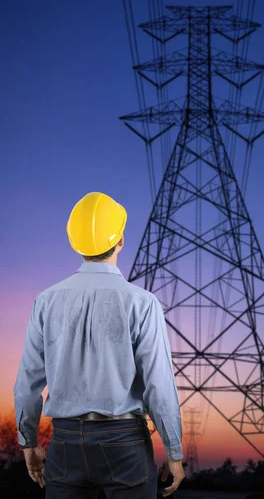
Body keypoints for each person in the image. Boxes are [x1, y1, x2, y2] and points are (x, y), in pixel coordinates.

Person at [13, 191, 185, 498]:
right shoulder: (142, 303)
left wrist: (27, 442)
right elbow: (158, 384)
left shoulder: (46, 301)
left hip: (64, 444)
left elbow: (27, 385)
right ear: (120, 240)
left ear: (74, 243)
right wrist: (174, 452)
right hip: (125, 442)